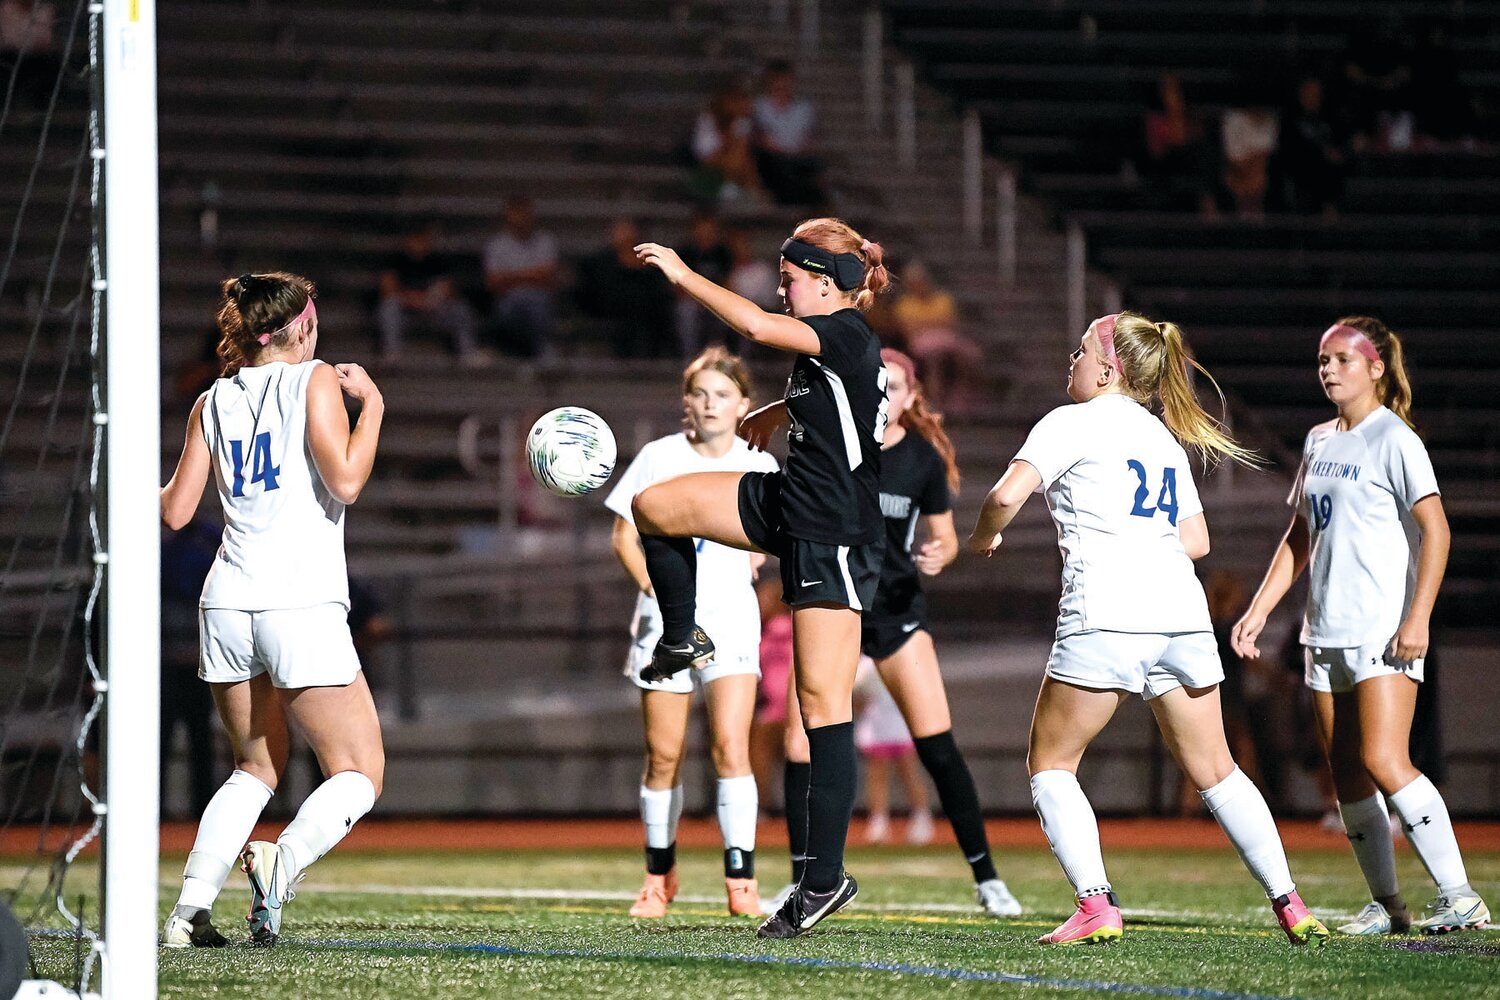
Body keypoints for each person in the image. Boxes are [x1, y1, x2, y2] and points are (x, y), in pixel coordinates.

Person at [969, 312, 1328, 947]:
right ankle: (1290, 901)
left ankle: (1095, 904)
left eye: (1080, 351)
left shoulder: (1070, 422)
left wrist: (986, 535)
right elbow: (1196, 540)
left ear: (1108, 369)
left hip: (1109, 609)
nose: (1070, 362)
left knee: (1051, 763)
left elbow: (1002, 497)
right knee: (1218, 770)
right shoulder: (1161, 437)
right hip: (1181, 615)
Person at [631, 217, 890, 938]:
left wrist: (683, 275)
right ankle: (681, 639)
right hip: (787, 500)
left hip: (829, 532)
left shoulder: (841, 332)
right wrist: (777, 411)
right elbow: (839, 402)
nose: (781, 288)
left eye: (791, 277)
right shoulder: (831, 346)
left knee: (821, 705)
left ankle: (822, 880)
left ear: (830, 281)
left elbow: (750, 324)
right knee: (656, 507)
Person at [1231, 316, 1489, 937]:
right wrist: (1261, 608)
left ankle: (1461, 896)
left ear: (1376, 367)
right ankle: (1388, 904)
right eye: (1323, 359)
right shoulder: (1320, 439)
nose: (1329, 369)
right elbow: (1301, 535)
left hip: (1381, 627)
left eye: (1343, 359)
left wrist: (1418, 615)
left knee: (1383, 758)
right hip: (1324, 632)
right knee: (1344, 770)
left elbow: (1438, 530)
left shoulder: (1394, 438)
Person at [158, 272, 385, 948]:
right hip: (298, 600)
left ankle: (186, 914)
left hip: (227, 600)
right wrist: (371, 407)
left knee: (254, 768)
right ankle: (280, 861)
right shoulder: (313, 379)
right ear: (301, 327)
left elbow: (174, 511)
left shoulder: (212, 399)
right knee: (359, 770)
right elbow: (345, 478)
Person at [768, 348, 1021, 919]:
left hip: (896, 615)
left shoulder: (923, 460)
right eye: (878, 385)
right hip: (833, 607)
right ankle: (802, 879)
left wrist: (942, 554)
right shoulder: (839, 441)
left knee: (938, 748)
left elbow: (946, 537)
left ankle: (987, 878)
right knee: (799, 741)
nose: (886, 395)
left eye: (897, 386)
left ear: (911, 397)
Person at [604, 348, 779, 919]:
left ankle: (741, 882)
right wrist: (658, 593)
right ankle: (658, 877)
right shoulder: (659, 456)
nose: (709, 404)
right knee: (663, 755)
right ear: (686, 402)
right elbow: (625, 538)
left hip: (731, 615)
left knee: (732, 748)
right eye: (700, 393)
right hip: (667, 621)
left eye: (722, 394)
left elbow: (777, 536)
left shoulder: (759, 462)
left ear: (744, 405)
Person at [377, 223, 482, 365]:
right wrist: (411, 299)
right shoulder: (395, 261)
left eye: (423, 240)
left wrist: (430, 300)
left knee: (460, 308)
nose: (419, 244)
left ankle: (468, 353)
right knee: (389, 307)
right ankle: (392, 353)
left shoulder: (437, 261)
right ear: (408, 240)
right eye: (416, 239)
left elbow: (448, 288)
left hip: (434, 310)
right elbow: (388, 289)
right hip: (406, 311)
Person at [853, 656, 931, 845]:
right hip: (876, 728)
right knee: (877, 776)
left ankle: (922, 819)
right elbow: (857, 703)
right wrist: (862, 695)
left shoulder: (902, 658)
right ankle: (878, 823)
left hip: (901, 726)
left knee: (909, 774)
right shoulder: (863, 666)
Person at [576, 218, 677, 359]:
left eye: (628, 233)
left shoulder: (650, 263)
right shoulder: (599, 262)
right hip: (610, 309)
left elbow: (658, 290)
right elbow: (591, 292)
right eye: (621, 232)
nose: (625, 237)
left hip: (645, 312)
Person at [483, 195, 558, 360]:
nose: (520, 218)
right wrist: (530, 275)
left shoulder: (545, 241)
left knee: (536, 305)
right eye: (515, 213)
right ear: (507, 216)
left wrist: (511, 276)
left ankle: (540, 352)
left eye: (523, 213)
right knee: (510, 307)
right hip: (508, 297)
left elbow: (547, 276)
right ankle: (511, 353)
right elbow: (493, 281)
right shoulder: (496, 244)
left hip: (538, 296)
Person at [752, 60, 826, 206]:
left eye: (785, 80)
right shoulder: (760, 107)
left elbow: (810, 139)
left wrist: (797, 152)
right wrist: (784, 152)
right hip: (773, 157)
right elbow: (761, 137)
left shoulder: (804, 109)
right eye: (777, 80)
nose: (781, 85)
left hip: (798, 157)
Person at [674, 211, 734, 358]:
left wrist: (711, 300)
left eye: (710, 228)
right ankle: (689, 359)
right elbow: (676, 284)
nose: (706, 232)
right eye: (702, 227)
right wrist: (698, 299)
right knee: (686, 312)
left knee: (730, 312)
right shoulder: (685, 252)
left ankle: (717, 359)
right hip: (690, 300)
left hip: (716, 300)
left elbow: (728, 283)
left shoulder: (723, 252)